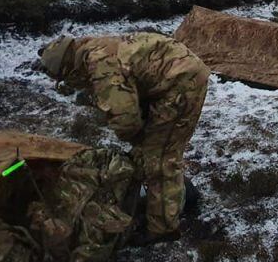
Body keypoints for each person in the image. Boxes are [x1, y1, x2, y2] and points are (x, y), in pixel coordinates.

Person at [38, 32, 209, 242]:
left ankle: (162, 229)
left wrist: (143, 143)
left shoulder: (100, 65)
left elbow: (126, 120)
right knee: (151, 152)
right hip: (176, 76)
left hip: (181, 84)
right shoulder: (92, 49)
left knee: (160, 160)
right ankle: (172, 194)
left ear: (68, 68)